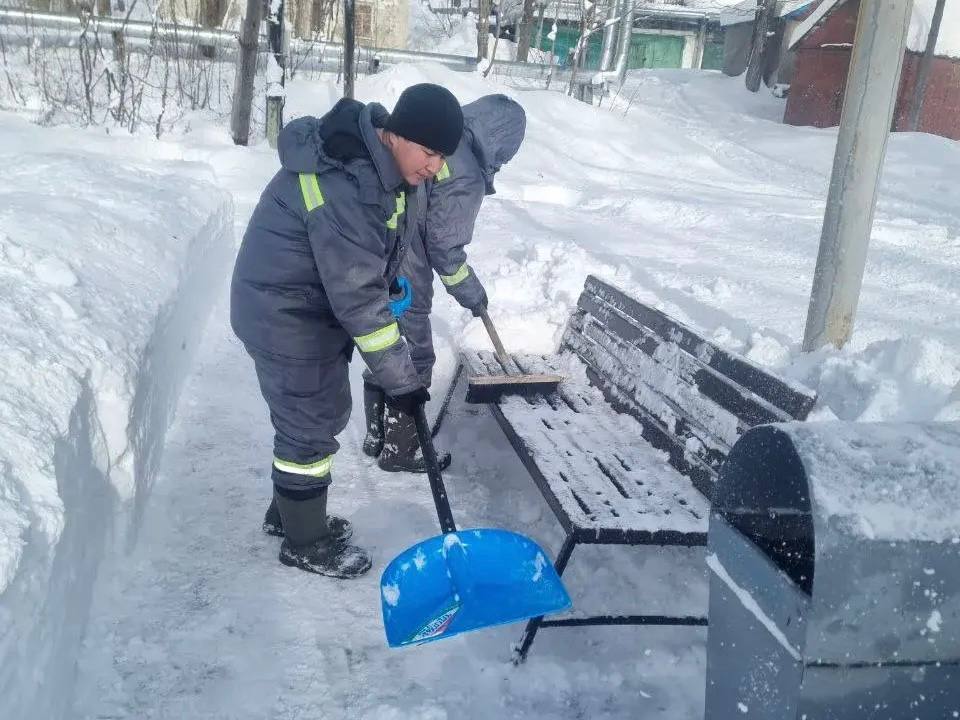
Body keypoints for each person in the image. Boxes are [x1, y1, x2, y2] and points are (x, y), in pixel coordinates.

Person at [230, 84, 464, 578]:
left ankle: (290, 514)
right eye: (429, 151)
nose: (435, 167)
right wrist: (402, 380)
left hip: (308, 304)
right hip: (285, 311)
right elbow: (357, 297)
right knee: (310, 422)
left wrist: (390, 279)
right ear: (396, 134)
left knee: (314, 414)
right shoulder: (344, 182)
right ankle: (305, 542)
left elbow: (369, 257)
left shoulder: (379, 167)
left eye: (443, 156)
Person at [361, 94, 526, 472]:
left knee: (387, 344)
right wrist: (473, 293)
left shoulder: (446, 142)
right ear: (501, 141)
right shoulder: (466, 170)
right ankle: (401, 450)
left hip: (389, 251)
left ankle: (377, 436)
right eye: (507, 154)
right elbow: (445, 247)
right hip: (409, 265)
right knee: (415, 355)